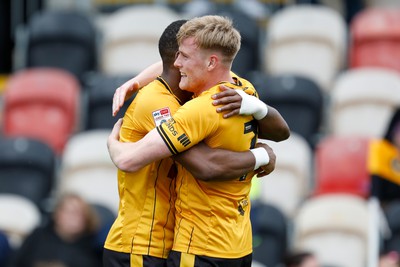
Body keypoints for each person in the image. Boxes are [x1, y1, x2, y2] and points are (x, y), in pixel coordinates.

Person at [103, 19, 289, 267]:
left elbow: (207, 164)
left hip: (191, 243)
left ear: (211, 62)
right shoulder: (237, 90)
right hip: (142, 244)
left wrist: (115, 146)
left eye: (186, 56)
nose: (180, 62)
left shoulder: (211, 99)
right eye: (179, 56)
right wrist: (264, 155)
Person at [10, 193, 101, 267]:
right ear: (57, 215)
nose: (73, 218)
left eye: (79, 213)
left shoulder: (94, 244)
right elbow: (15, 262)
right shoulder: (38, 235)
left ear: (87, 218)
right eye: (69, 212)